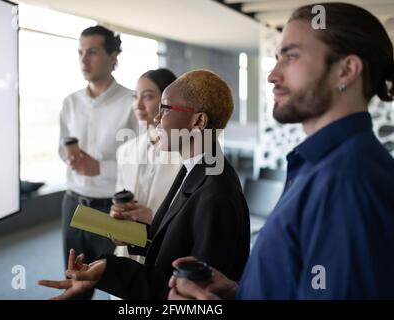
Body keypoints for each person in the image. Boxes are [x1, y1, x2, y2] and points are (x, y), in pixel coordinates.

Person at [169, 2, 394, 300]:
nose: (272, 75)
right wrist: (240, 292)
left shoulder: (347, 181)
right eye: (276, 58)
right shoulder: (321, 165)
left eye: (290, 57)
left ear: (346, 70)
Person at [39, 70, 250, 300]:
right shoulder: (194, 170)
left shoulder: (216, 194)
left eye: (165, 108)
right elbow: (173, 246)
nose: (157, 118)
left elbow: (191, 294)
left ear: (198, 121)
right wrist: (124, 246)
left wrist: (107, 272)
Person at [58, 25, 137, 299]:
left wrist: (100, 167)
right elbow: (61, 145)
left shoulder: (132, 103)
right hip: (73, 205)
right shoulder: (70, 102)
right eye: (80, 52)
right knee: (75, 283)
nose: (83, 60)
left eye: (92, 52)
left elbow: (145, 163)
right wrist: (67, 155)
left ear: (113, 56)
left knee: (118, 286)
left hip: (110, 210)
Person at [111, 68, 181, 265]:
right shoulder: (125, 151)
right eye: (135, 97)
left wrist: (153, 216)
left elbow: (191, 217)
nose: (138, 105)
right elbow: (120, 199)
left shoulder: (186, 156)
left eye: (148, 97)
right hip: (126, 252)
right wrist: (117, 216)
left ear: (168, 101)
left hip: (165, 253)